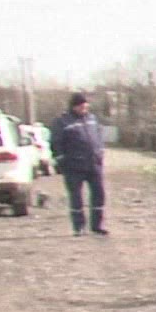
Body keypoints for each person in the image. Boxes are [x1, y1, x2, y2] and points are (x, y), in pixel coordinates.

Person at [51, 91, 107, 235]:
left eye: (86, 106)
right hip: (74, 166)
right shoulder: (62, 121)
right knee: (76, 197)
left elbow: (99, 136)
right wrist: (61, 161)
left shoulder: (92, 118)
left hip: (93, 164)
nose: (84, 109)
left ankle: (97, 225)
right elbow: (56, 143)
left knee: (99, 194)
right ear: (74, 106)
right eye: (81, 106)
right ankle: (79, 227)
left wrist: (100, 152)